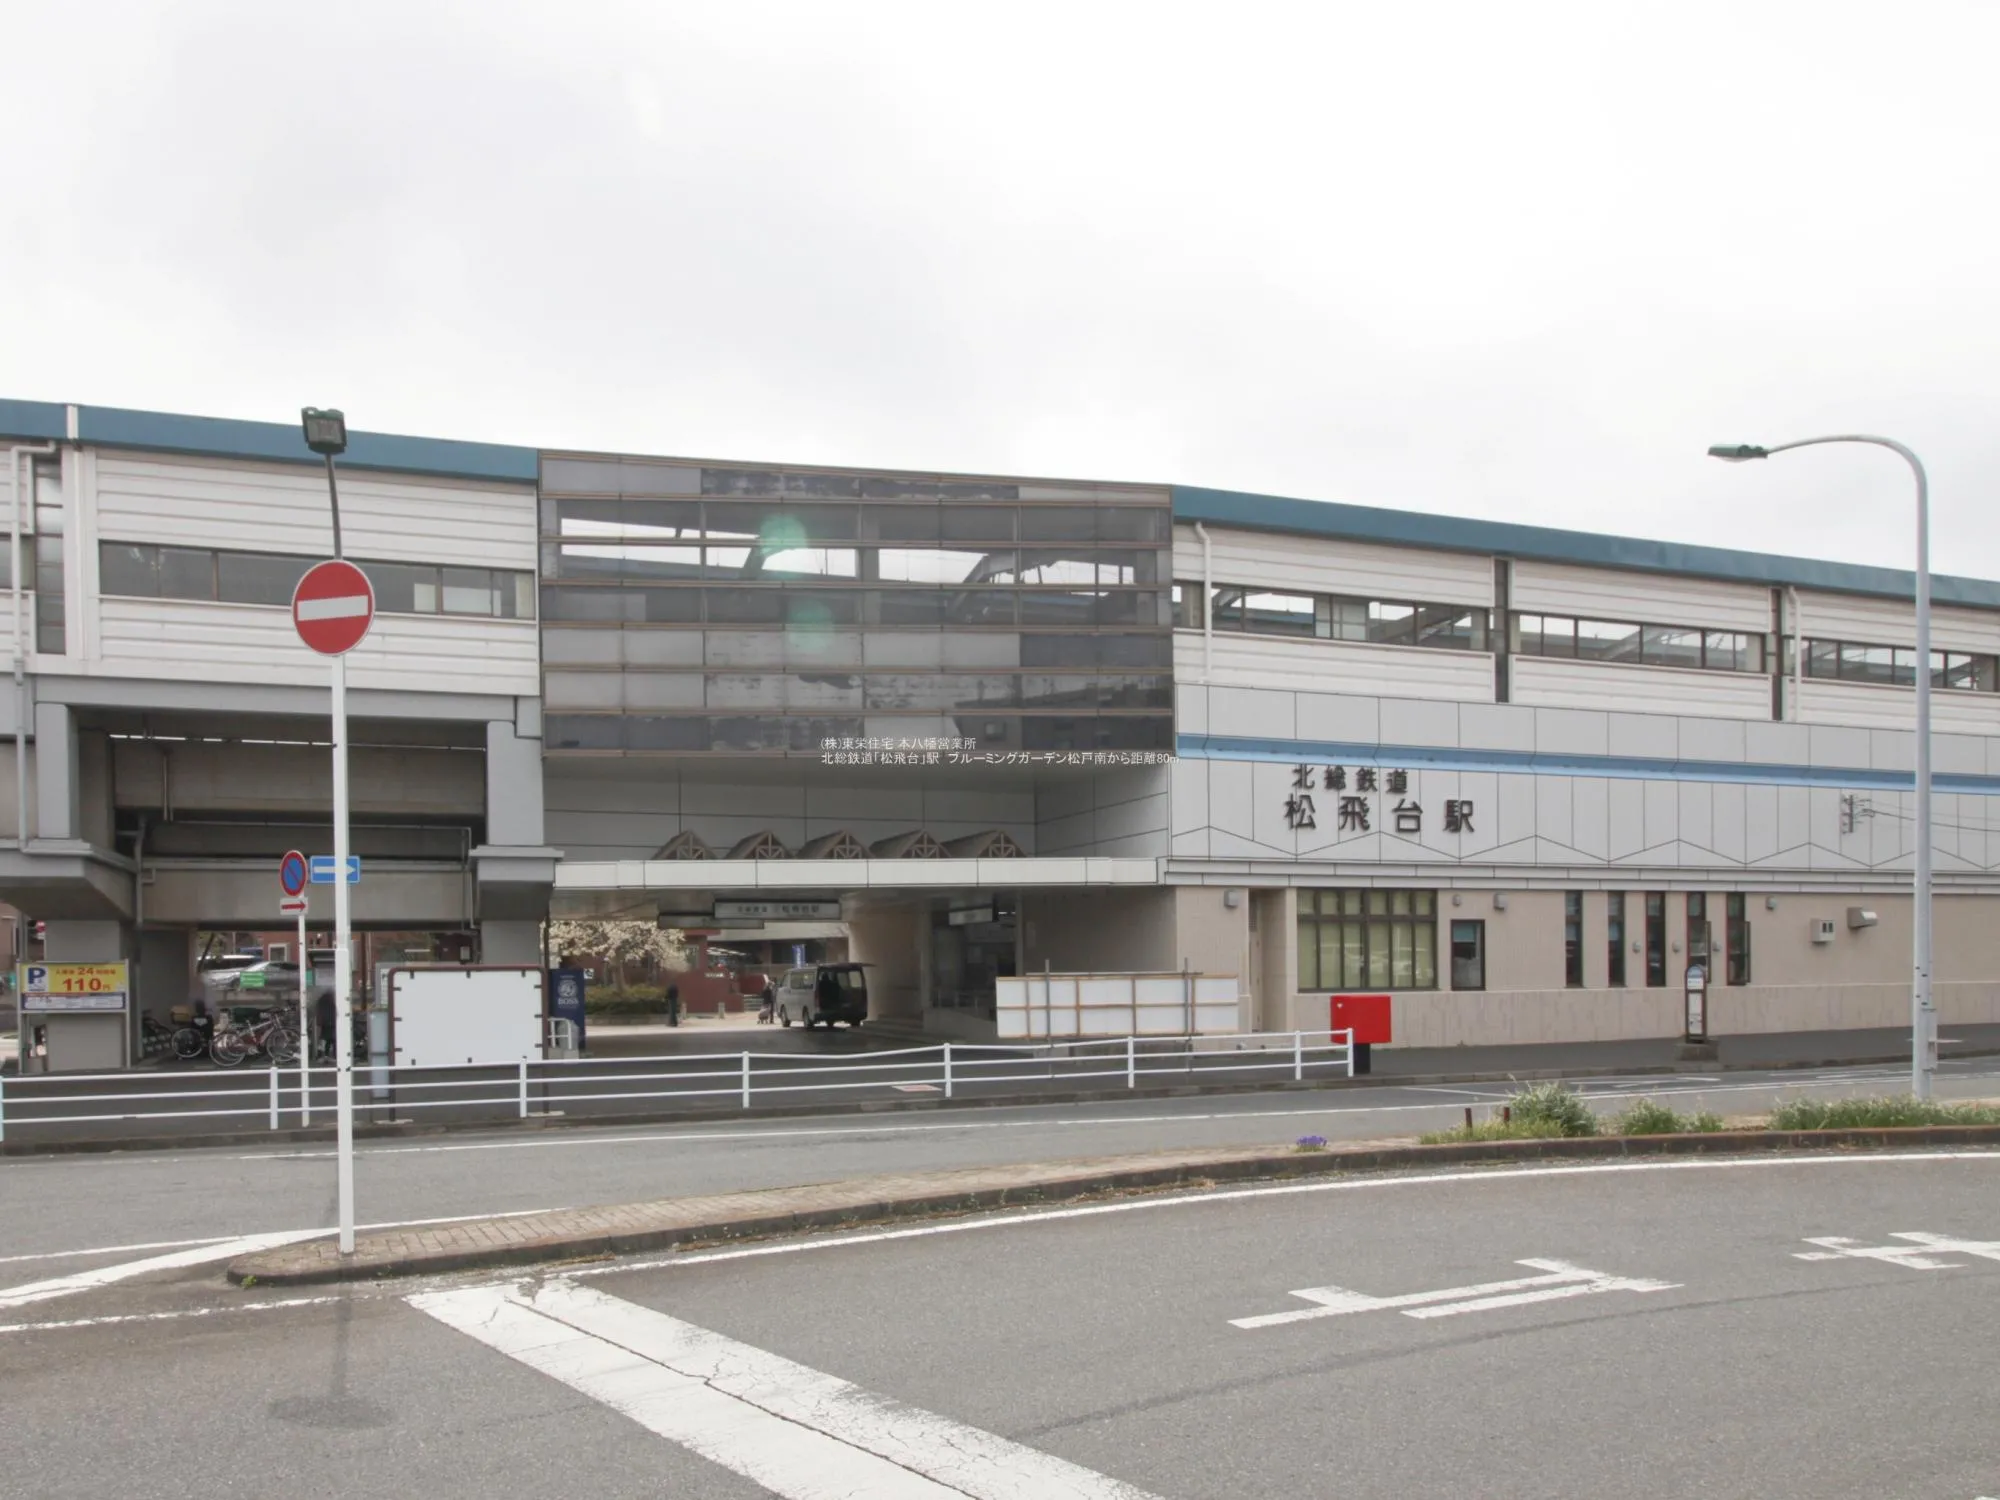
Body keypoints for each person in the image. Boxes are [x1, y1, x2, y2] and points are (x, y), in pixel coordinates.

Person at [314, 986, 337, 1063]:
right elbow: (331, 1012)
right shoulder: (330, 1002)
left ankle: (323, 1055)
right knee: (332, 1040)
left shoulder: (321, 1001)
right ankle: (332, 1055)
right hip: (330, 1023)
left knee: (326, 1040)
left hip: (324, 1023)